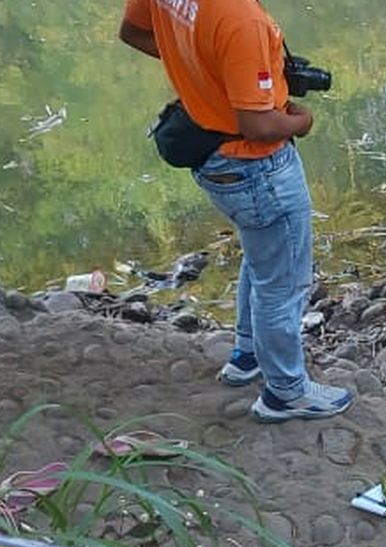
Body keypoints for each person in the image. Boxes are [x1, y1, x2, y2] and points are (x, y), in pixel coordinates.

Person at [119, 0, 352, 422]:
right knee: (283, 283)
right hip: (256, 166)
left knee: (263, 256)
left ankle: (247, 354)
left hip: (211, 154)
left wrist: (206, 76)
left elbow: (133, 32)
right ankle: (286, 393)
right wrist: (303, 121)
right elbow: (259, 126)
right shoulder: (240, 18)